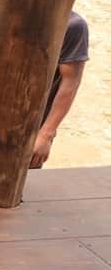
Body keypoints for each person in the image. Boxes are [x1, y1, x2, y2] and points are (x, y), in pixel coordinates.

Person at [32, 10, 89, 168]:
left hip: (31, 130)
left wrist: (45, 135)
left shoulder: (73, 26)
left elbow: (70, 82)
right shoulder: (15, 10)